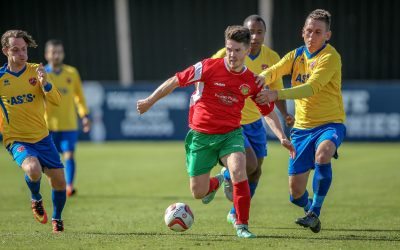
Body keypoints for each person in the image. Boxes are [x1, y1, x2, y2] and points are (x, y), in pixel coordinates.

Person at [137, 25, 295, 238]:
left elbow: (267, 111)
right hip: (201, 136)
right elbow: (175, 80)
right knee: (198, 192)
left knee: (240, 169)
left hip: (230, 134)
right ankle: (218, 180)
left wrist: (282, 137)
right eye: (229, 49)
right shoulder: (208, 67)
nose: (232, 55)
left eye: (237, 50)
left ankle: (242, 225)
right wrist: (149, 101)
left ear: (247, 51)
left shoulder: (251, 80)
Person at [255, 9, 346, 233]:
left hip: (330, 123)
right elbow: (275, 71)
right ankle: (308, 211)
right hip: (302, 129)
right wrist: (260, 78)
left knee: (323, 153)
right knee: (295, 194)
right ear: (302, 32)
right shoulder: (296, 55)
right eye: (308, 31)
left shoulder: (330, 57)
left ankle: (315, 211)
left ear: (327, 35)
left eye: (318, 32)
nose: (311, 36)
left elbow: (311, 88)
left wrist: (276, 95)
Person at [211, 14, 295, 225]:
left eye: (260, 32)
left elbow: (277, 90)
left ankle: (234, 212)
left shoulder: (272, 57)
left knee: (256, 171)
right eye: (252, 32)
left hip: (256, 121)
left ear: (265, 34)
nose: (255, 36)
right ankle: (227, 176)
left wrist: (284, 115)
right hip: (233, 122)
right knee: (247, 164)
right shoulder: (227, 53)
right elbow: (207, 75)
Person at [0, 30, 66, 233]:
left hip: (43, 138)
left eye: (24, 49)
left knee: (60, 182)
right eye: (16, 49)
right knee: (33, 169)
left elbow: (56, 100)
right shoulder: (1, 78)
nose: (22, 53)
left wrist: (45, 82)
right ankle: (36, 198)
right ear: (5, 51)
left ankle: (57, 218)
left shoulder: (37, 71)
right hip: (17, 139)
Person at [44, 39, 90, 197]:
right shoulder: (42, 74)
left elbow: (79, 97)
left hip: (69, 124)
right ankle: (57, 185)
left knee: (69, 155)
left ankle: (69, 186)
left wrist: (84, 115)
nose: (56, 55)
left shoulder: (72, 73)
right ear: (47, 54)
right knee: (51, 162)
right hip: (48, 126)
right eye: (53, 52)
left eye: (59, 52)